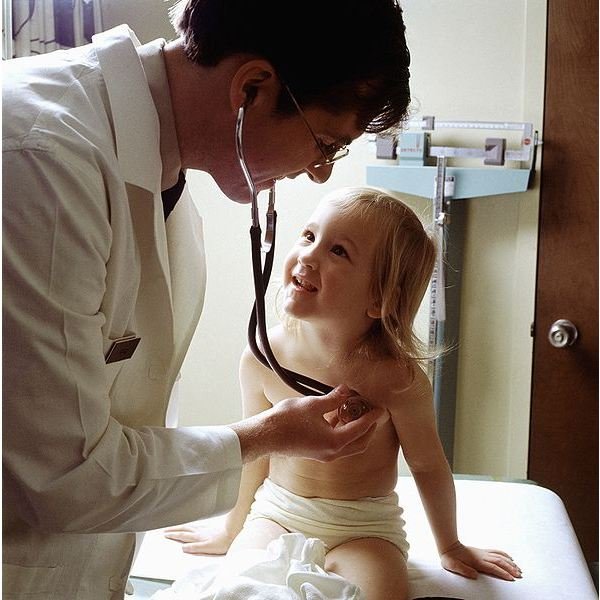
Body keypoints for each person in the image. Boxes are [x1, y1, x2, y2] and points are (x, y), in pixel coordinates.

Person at [2, 1, 412, 598]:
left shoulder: (155, 177)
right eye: (326, 142)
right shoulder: (43, 163)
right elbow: (62, 476)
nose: (321, 173)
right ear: (252, 89)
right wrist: (264, 436)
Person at [164, 187, 523, 599]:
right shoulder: (263, 356)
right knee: (239, 588)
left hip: (364, 528)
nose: (309, 255)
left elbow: (428, 466)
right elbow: (256, 452)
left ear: (380, 299)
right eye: (308, 236)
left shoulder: (396, 379)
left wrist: (451, 545)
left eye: (339, 252)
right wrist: (232, 528)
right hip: (278, 515)